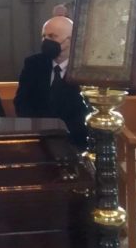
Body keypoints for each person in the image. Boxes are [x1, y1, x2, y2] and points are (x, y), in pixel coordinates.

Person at [13, 16, 90, 149]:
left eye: (52, 36)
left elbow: (86, 111)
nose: (46, 41)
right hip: (39, 139)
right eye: (43, 36)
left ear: (71, 40)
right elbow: (21, 101)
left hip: (77, 141)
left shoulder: (86, 69)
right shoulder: (33, 64)